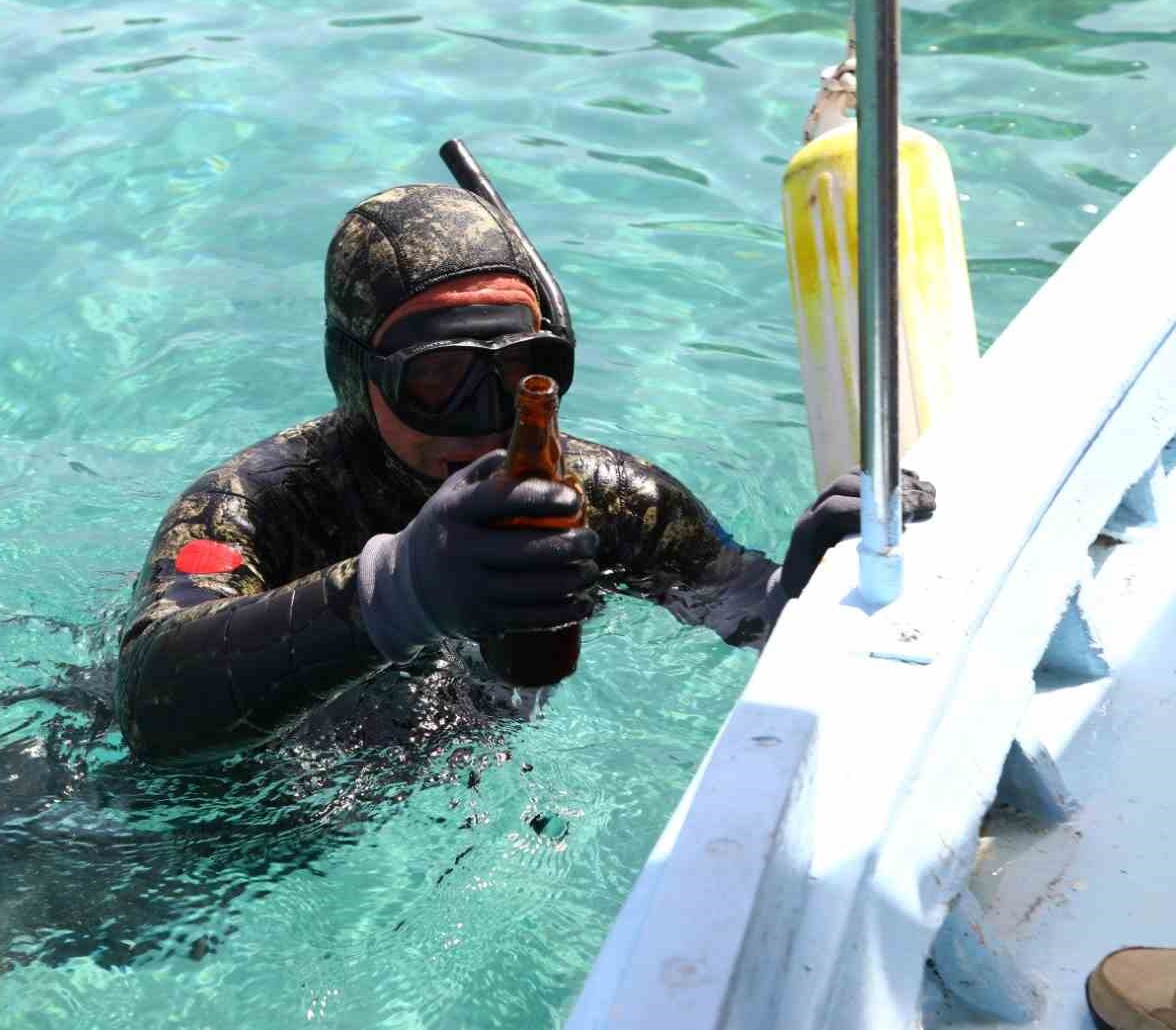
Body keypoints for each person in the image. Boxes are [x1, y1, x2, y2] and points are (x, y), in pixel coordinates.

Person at [116, 161, 935, 765]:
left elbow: (747, 609)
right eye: (439, 380)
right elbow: (151, 704)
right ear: (358, 380)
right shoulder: (257, 506)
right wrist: (398, 589)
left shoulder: (609, 500)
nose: (485, 427)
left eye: (518, 373)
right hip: (208, 817)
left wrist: (814, 588)